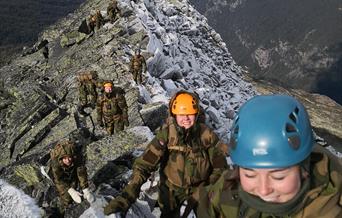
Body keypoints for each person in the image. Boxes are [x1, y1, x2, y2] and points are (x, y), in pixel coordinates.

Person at [197, 94, 342, 218]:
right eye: (249, 175)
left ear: (304, 168)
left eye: (278, 176)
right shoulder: (226, 188)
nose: (263, 190)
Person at [103, 90, 228, 217]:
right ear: (174, 115)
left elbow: (221, 167)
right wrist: (128, 195)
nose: (186, 118)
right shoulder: (167, 134)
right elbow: (144, 165)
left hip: (201, 187)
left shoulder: (207, 135)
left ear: (196, 114)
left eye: (190, 114)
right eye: (181, 114)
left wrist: (207, 187)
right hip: (171, 189)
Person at [50, 140, 95, 215]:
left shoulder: (77, 157)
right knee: (66, 196)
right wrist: (70, 190)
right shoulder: (55, 163)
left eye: (69, 157)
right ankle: (65, 208)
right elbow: (58, 180)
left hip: (72, 168)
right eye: (64, 158)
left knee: (75, 183)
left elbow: (81, 173)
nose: (67, 160)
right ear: (61, 158)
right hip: (60, 175)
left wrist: (86, 189)